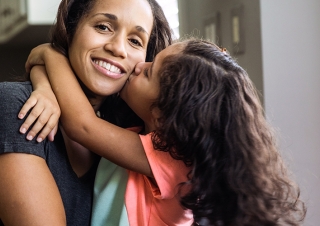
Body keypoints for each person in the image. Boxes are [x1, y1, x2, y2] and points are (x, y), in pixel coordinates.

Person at [24, 38, 306, 225]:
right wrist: (41, 78)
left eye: (148, 73)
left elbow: (82, 126)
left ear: (161, 113)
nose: (138, 65)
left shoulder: (171, 159)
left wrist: (50, 53)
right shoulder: (140, 136)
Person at [0, 0, 173, 225]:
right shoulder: (17, 105)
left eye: (134, 41)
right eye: (103, 27)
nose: (118, 48)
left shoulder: (129, 138)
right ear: (70, 29)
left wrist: (47, 57)